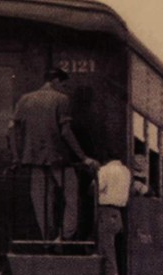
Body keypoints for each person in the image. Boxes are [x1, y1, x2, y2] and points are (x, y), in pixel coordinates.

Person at [8, 68, 100, 241]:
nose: (65, 89)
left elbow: (12, 130)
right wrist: (84, 158)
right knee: (73, 199)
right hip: (59, 160)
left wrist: (15, 156)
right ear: (56, 81)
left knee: (41, 203)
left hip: (33, 161)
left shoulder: (24, 99)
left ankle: (47, 239)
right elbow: (65, 132)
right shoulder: (61, 99)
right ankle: (64, 237)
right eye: (64, 85)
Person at [96, 159, 131, 275]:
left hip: (105, 212)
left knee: (107, 257)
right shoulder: (126, 171)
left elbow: (95, 189)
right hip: (118, 215)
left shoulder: (104, 170)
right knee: (113, 257)